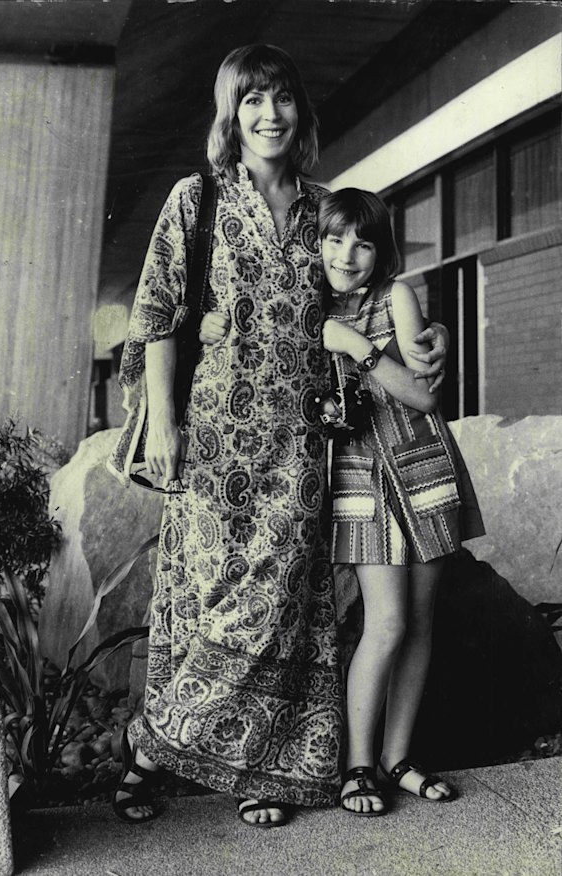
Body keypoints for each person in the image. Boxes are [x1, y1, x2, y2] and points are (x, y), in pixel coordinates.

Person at [108, 44, 449, 829]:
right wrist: (163, 422)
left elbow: (380, 294)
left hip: (301, 445)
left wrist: (429, 341)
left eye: (282, 98)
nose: (269, 114)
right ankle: (149, 751)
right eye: (253, 100)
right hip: (211, 441)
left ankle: (263, 771)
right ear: (232, 113)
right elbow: (157, 313)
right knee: (203, 602)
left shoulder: (328, 210)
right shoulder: (195, 199)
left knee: (283, 609)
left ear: (301, 111)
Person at [318, 188, 485, 817]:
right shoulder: (304, 310)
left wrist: (355, 346)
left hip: (423, 466)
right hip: (359, 477)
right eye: (335, 239)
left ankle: (399, 758)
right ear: (316, 244)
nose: (348, 254)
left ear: (380, 249)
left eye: (363, 241)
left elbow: (422, 396)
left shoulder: (397, 297)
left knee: (419, 622)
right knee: (384, 623)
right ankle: (358, 765)